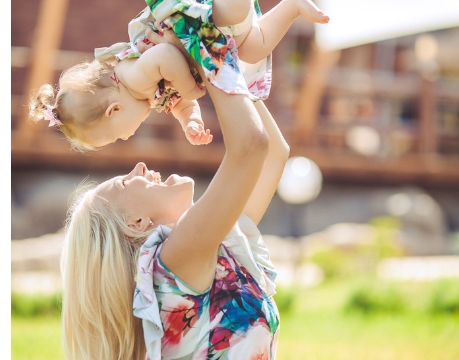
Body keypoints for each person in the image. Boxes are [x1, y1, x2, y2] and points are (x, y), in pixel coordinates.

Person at [60, 46, 290, 358]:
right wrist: (206, 51)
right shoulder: (176, 261)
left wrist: (228, 59)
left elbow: (274, 154)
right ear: (136, 223)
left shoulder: (208, 252)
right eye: (126, 181)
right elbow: (251, 146)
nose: (139, 167)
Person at [28, 0, 328, 151]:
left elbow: (166, 56)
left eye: (120, 135)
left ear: (114, 109)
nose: (129, 136)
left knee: (234, 13)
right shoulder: (147, 96)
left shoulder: (132, 78)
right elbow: (180, 103)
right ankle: (291, 6)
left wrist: (191, 88)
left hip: (194, 26)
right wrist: (190, 120)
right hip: (214, 42)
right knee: (254, 50)